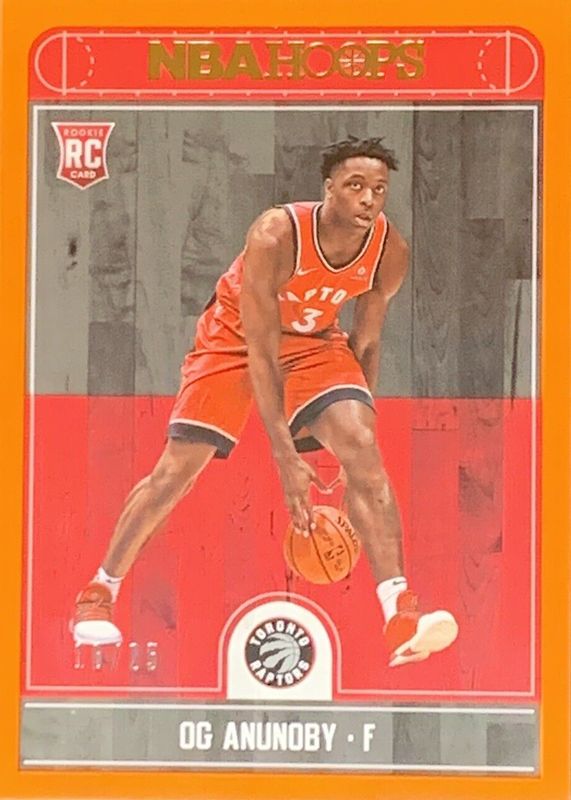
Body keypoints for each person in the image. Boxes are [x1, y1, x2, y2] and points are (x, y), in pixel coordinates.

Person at [73, 135, 458, 668]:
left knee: (366, 453)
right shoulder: (276, 234)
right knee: (178, 470)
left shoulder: (389, 250)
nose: (368, 198)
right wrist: (285, 456)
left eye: (378, 189)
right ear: (328, 189)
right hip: (236, 338)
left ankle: (401, 614)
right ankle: (99, 592)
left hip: (314, 341)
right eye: (355, 186)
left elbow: (367, 343)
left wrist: (355, 452)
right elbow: (261, 349)